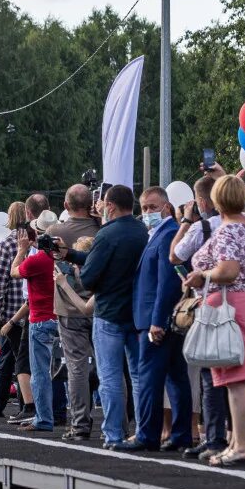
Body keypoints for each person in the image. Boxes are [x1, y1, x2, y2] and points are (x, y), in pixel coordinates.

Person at [183, 174, 245, 466]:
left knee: (238, 378)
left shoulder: (228, 230)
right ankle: (237, 441)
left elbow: (228, 271)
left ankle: (242, 444)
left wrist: (202, 275)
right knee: (242, 375)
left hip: (234, 304)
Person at [60, 183, 149, 450]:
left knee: (109, 377)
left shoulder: (107, 234)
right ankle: (141, 430)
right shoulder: (142, 231)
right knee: (136, 374)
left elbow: (89, 277)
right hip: (134, 312)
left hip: (108, 312)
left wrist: (75, 266)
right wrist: (72, 254)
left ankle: (113, 433)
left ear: (110, 205)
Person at [173, 175, 232, 459]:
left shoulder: (203, 227)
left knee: (210, 374)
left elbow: (175, 255)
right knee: (239, 373)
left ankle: (215, 437)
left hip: (211, 305)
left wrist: (184, 220)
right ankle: (239, 435)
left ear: (201, 201)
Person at [134, 187, 192, 451]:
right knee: (176, 376)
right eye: (144, 208)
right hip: (157, 317)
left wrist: (158, 320)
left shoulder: (168, 233)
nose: (147, 213)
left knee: (150, 378)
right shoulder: (156, 234)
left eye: (152, 207)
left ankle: (147, 435)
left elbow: (166, 283)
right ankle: (180, 434)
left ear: (167, 208)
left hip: (156, 319)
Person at [46, 184, 100, 440]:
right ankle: (118, 421)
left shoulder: (56, 230)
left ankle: (80, 423)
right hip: (101, 304)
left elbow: (43, 249)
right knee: (108, 365)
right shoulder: (102, 229)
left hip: (68, 307)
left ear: (66, 206)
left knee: (76, 365)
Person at [12, 218, 62, 433]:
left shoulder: (37, 260)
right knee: (64, 371)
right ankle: (62, 413)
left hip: (40, 320)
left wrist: (21, 250)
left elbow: (14, 271)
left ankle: (43, 418)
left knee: (39, 372)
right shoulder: (62, 260)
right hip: (61, 318)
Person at [0, 201, 34, 420]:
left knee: (14, 359)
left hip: (10, 313)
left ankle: (17, 404)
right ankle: (7, 403)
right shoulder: (36, 240)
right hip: (30, 309)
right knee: (17, 358)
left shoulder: (6, 244)